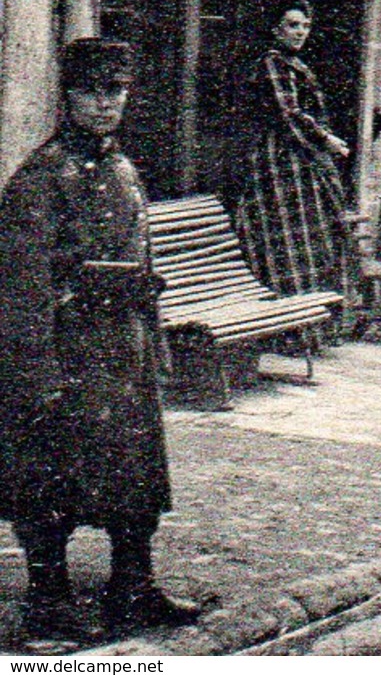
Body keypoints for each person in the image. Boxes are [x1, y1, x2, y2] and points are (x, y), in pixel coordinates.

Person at [0, 39, 201, 647]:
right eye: (92, 91)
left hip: (123, 352)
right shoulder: (41, 178)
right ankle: (48, 602)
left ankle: (132, 586)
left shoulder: (121, 168)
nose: (105, 104)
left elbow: (141, 257)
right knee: (49, 482)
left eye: (115, 91)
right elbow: (22, 287)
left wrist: (153, 339)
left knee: (135, 479)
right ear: (67, 95)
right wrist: (35, 374)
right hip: (68, 355)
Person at [234, 0, 350, 297]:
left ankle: (311, 319)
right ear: (276, 29)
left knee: (310, 243)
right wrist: (326, 140)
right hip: (281, 163)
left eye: (306, 26)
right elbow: (288, 114)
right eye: (293, 25)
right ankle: (292, 316)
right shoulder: (274, 63)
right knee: (287, 243)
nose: (300, 32)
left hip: (301, 162)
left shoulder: (294, 64)